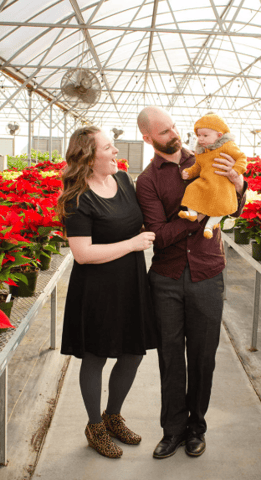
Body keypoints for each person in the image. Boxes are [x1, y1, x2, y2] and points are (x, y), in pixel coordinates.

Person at [136, 106, 247, 460]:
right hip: (166, 279)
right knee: (170, 359)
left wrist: (238, 183)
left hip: (208, 273)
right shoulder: (148, 180)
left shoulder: (210, 155)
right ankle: (172, 431)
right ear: (148, 138)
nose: (175, 134)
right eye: (165, 131)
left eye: (173, 126)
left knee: (203, 358)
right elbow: (159, 235)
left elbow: (235, 207)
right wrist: (197, 216)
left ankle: (196, 428)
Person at [57, 126, 157, 459]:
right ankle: (93, 427)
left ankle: (112, 416)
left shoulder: (125, 182)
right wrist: (132, 244)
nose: (117, 152)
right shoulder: (77, 198)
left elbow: (139, 221)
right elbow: (83, 254)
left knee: (133, 352)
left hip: (130, 282)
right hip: (97, 289)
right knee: (96, 356)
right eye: (109, 148)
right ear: (88, 156)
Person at [178, 112, 247, 239]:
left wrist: (236, 170)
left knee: (221, 205)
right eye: (198, 135)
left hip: (223, 184)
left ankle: (209, 227)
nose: (201, 138)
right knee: (191, 189)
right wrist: (189, 172)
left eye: (205, 135)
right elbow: (198, 166)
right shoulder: (202, 152)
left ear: (219, 135)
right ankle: (192, 213)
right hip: (206, 182)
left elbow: (241, 158)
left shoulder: (227, 146)